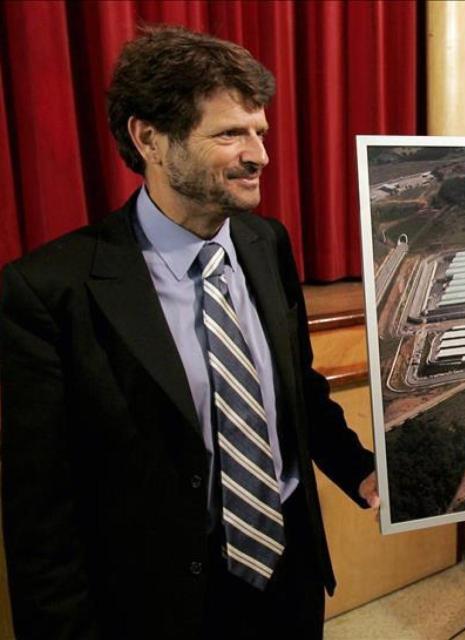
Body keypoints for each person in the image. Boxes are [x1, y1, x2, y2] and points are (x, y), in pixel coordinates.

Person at [0, 25, 378, 640]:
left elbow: (297, 392)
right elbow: (42, 513)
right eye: (230, 134)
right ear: (149, 138)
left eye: (259, 131)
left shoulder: (266, 242)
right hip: (161, 603)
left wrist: (359, 467)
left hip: (290, 575)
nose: (259, 155)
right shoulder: (49, 290)